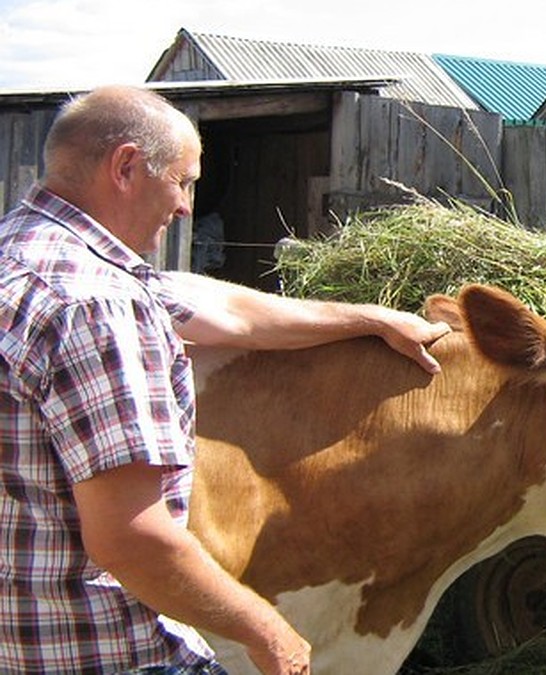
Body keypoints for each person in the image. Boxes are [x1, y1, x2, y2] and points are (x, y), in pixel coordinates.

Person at [0, 85, 451, 674]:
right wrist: (268, 630)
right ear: (127, 166)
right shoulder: (98, 308)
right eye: (183, 182)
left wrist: (370, 318)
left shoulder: (25, 252)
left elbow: (225, 312)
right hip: (98, 650)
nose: (187, 206)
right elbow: (130, 538)